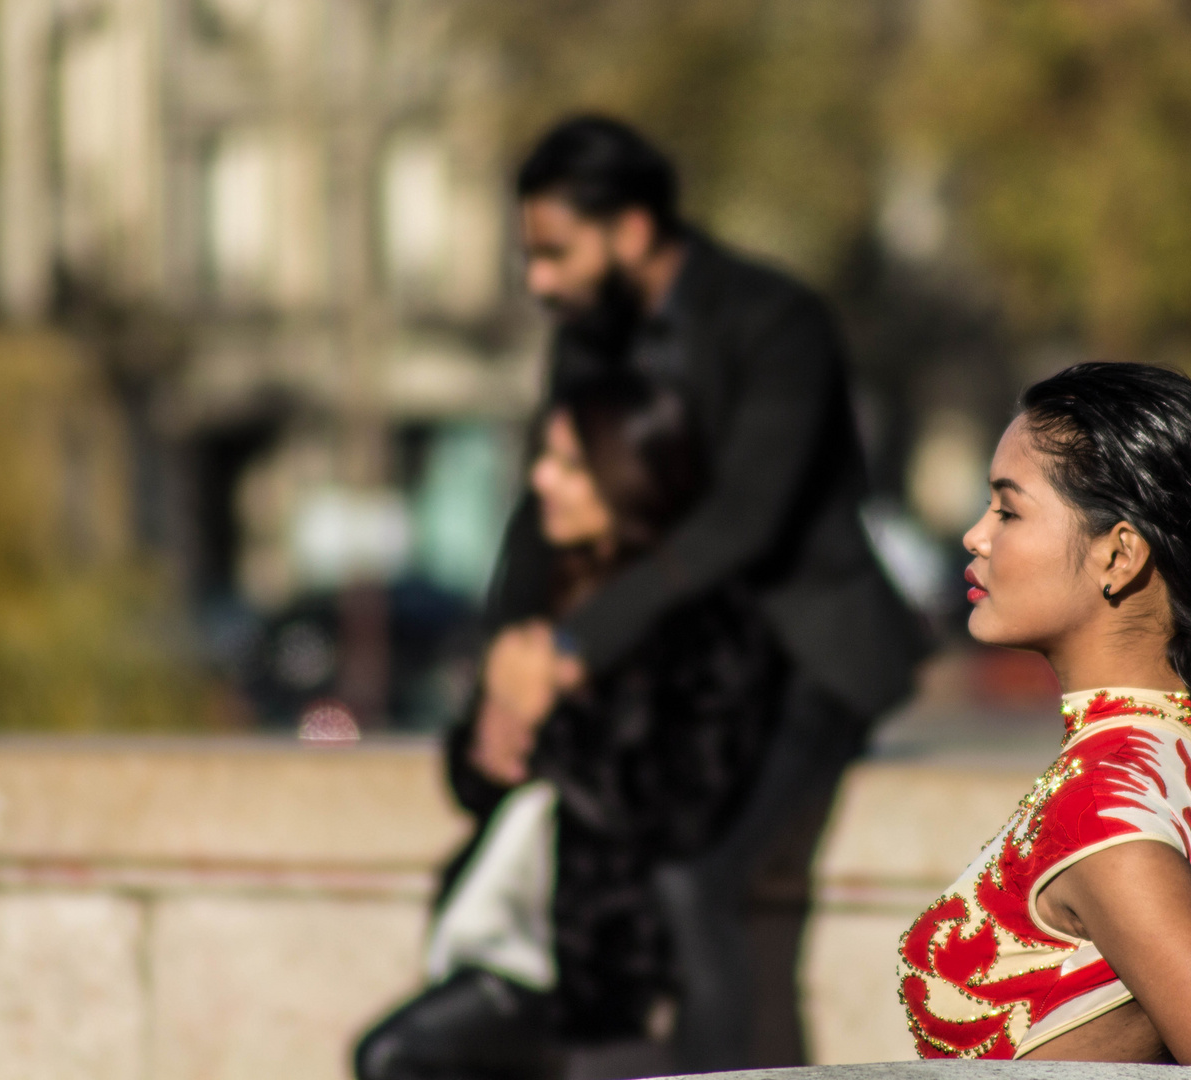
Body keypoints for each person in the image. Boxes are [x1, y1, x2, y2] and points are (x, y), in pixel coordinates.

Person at [479, 116, 925, 1068]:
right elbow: (541, 502)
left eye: (555, 252)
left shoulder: (777, 321)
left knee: (695, 878)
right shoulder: (587, 345)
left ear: (632, 231)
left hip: (811, 651)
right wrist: (508, 655)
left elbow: (744, 519)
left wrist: (571, 647)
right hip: (669, 663)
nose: (538, 281)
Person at [898, 363, 1191, 1076]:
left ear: (1118, 554)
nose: (974, 536)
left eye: (1008, 510)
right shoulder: (1169, 758)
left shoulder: (1104, 816)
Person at [355, 377, 788, 1080]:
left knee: (396, 1057)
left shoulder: (711, 619)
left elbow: (682, 800)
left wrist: (551, 716)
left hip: (606, 968)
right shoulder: (549, 588)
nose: (541, 480)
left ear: (630, 477)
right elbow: (477, 779)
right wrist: (494, 736)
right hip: (512, 933)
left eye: (570, 464)